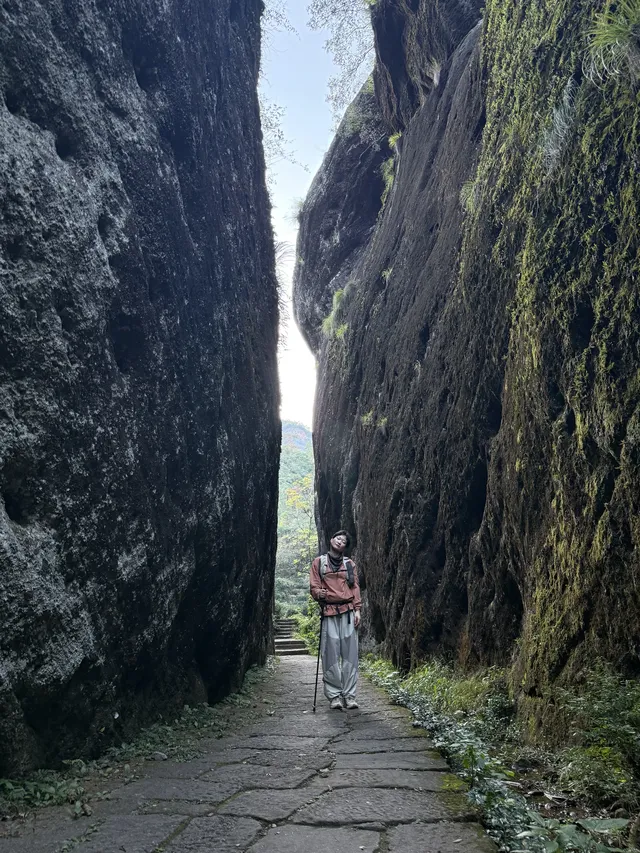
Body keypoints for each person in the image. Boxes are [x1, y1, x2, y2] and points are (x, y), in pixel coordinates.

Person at [309, 530, 361, 710]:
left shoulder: (349, 564)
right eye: (338, 538)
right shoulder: (319, 562)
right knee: (330, 655)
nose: (340, 542)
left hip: (347, 611)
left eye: (344, 541)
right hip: (329, 612)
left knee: (350, 656)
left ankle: (350, 695)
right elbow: (314, 585)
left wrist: (358, 610)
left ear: (345, 547)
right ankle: (335, 696)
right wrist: (318, 593)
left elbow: (354, 587)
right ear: (331, 540)